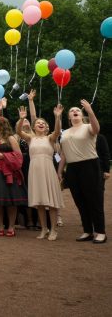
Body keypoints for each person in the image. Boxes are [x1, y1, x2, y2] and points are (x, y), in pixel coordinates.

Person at [16, 92, 64, 240]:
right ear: (34, 126)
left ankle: (54, 230)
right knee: (41, 203)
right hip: (35, 171)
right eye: (38, 123)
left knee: (52, 202)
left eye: (43, 123)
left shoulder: (50, 138)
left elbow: (57, 131)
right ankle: (43, 229)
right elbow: (18, 131)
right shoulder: (30, 138)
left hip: (48, 170)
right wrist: (22, 118)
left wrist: (57, 117)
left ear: (46, 127)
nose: (40, 124)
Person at [59, 99, 105, 244]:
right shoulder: (65, 133)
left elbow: (97, 129)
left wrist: (90, 110)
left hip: (89, 165)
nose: (75, 111)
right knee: (80, 201)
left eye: (77, 110)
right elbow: (64, 154)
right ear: (69, 117)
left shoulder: (88, 127)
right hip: (72, 169)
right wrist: (60, 171)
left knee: (94, 200)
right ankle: (87, 231)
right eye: (72, 111)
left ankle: (100, 232)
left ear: (82, 114)